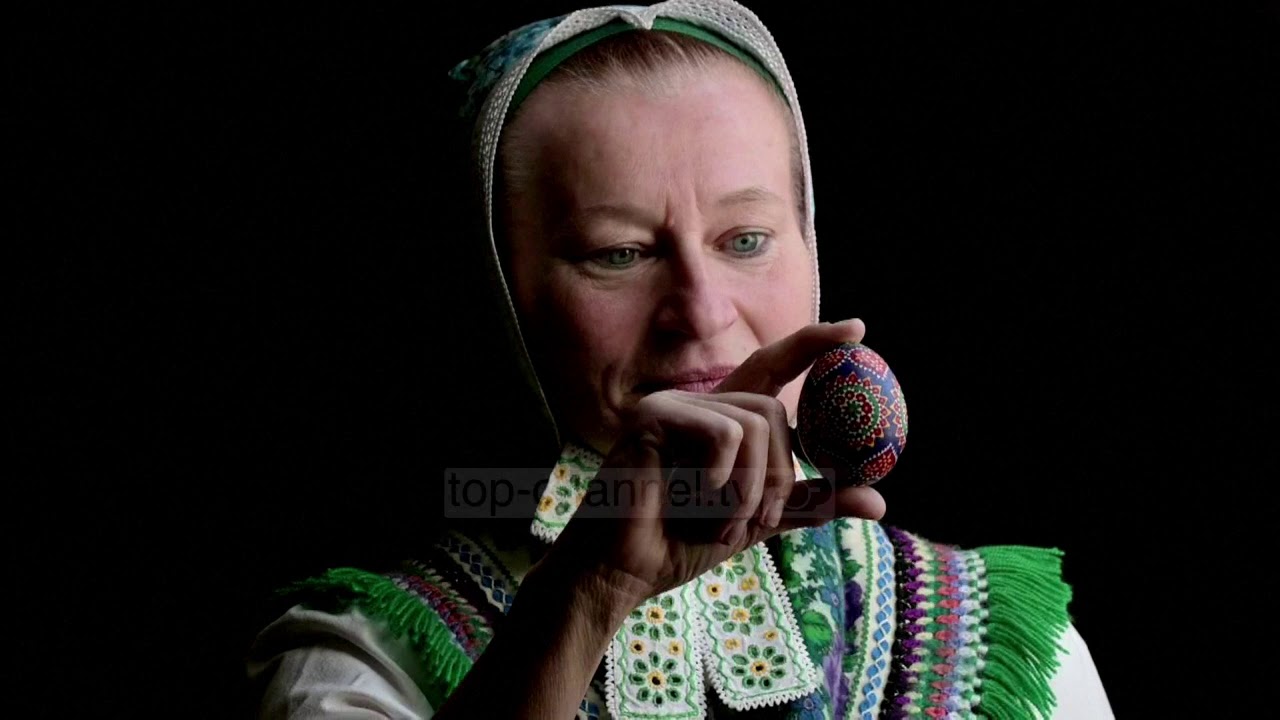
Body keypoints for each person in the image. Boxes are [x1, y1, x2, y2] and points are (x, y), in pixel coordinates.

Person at [245, 1, 1113, 717]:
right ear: (501, 294)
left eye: (746, 239)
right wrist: (590, 592)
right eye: (619, 254)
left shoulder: (1004, 655)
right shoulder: (357, 663)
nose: (700, 310)